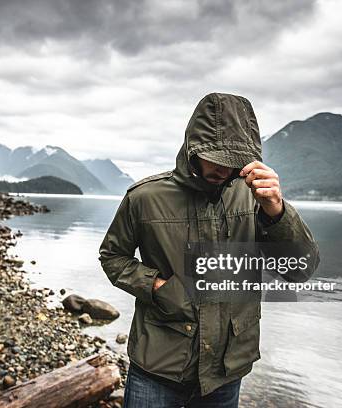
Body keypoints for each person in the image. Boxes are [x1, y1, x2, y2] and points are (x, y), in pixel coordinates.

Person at [99, 93, 320, 407]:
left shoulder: (256, 199)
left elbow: (300, 271)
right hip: (157, 366)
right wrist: (157, 286)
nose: (224, 168)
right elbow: (112, 256)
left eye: (234, 160)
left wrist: (278, 212)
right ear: (193, 146)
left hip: (226, 372)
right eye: (215, 156)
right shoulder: (144, 197)